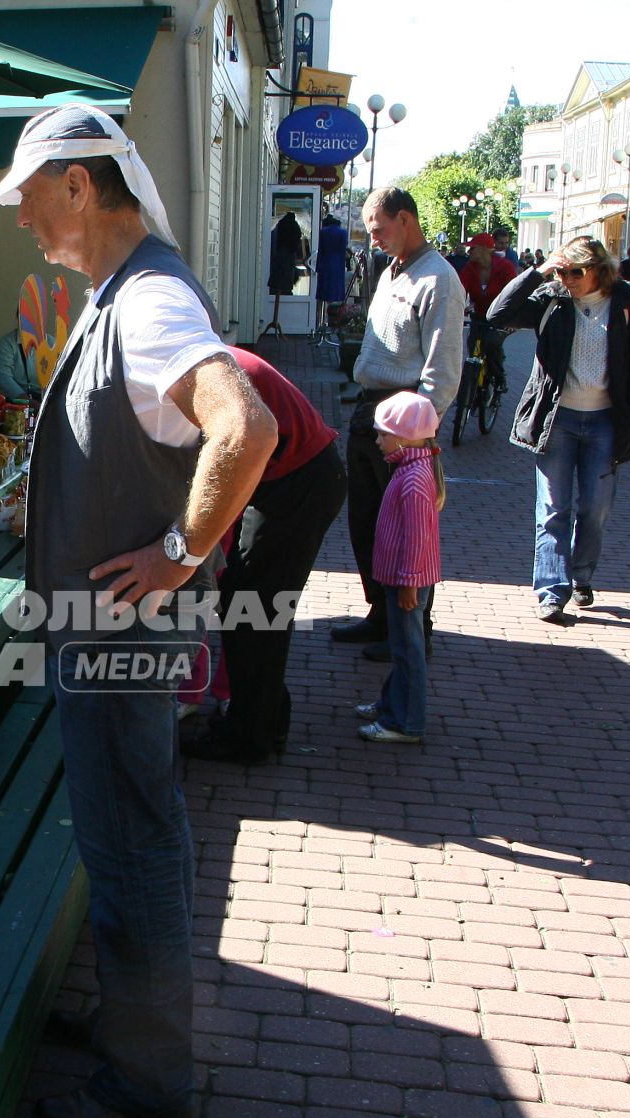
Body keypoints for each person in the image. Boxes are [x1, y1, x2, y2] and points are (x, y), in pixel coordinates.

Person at [0, 103, 277, 1118]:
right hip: (111, 631)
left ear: (76, 182)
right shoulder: (130, 288)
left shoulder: (147, 298)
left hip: (118, 638)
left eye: (27, 193)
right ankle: (132, 1027)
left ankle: (149, 1070)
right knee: (126, 832)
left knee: (135, 839)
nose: (19, 216)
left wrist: (177, 553)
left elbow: (247, 425)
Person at [183, 347, 345, 765]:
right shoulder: (205, 359)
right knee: (255, 607)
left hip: (298, 481)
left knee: (251, 609)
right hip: (295, 476)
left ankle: (248, 737)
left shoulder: (200, 372)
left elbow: (237, 446)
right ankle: (264, 721)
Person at [488, 236, 630, 623]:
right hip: (557, 418)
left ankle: (580, 576)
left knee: (595, 507)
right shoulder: (552, 297)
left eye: (575, 272)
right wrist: (540, 271)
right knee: (553, 508)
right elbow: (499, 314)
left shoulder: (626, 299)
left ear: (598, 269)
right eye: (563, 271)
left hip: (605, 421)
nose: (569, 279)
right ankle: (551, 589)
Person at [338, 188, 466, 661]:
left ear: (406, 219)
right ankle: (381, 616)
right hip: (369, 410)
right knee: (367, 523)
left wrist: (418, 436)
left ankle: (412, 632)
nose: (374, 240)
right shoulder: (392, 271)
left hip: (404, 418)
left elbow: (443, 368)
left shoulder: (439, 280)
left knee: (405, 529)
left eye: (379, 229)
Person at [357, 392, 443, 745]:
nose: (377, 441)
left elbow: (417, 539)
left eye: (382, 434)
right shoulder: (411, 469)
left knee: (409, 651)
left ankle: (406, 721)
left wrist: (408, 583)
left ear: (405, 435)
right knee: (402, 648)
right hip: (401, 578)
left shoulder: (413, 479)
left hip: (407, 581)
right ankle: (392, 704)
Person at [457, 232, 517, 389]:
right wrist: (458, 306)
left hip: (501, 317)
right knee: (473, 346)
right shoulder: (470, 268)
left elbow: (514, 294)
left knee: (492, 344)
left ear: (484, 249)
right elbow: (459, 290)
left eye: (473, 249)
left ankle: (499, 378)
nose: (469, 252)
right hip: (479, 315)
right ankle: (469, 392)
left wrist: (511, 320)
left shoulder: (505, 267)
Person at [0, 330, 40, 401]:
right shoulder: (8, 343)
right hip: (17, 401)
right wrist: (31, 403)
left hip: (47, 399)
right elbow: (3, 378)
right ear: (17, 319)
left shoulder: (51, 342)